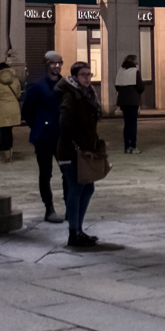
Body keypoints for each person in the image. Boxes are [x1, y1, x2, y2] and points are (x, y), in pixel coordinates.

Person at [57, 61, 104, 248]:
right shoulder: (70, 96)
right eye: (83, 75)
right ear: (75, 77)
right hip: (71, 151)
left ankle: (79, 230)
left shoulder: (88, 94)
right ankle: (73, 233)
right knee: (76, 189)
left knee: (88, 188)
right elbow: (65, 125)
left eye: (89, 74)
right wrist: (78, 143)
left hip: (85, 150)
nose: (87, 78)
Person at [20, 51, 66, 224]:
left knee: (67, 172)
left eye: (59, 62)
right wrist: (40, 125)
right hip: (44, 136)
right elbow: (27, 111)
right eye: (53, 63)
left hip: (62, 135)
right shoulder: (38, 86)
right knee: (46, 174)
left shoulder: (65, 84)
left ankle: (70, 206)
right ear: (46, 64)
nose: (57, 66)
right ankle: (49, 208)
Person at [0, 56, 23, 163]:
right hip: (13, 107)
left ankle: (6, 154)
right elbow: (18, 95)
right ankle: (10, 150)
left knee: (4, 131)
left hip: (2, 108)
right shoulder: (15, 80)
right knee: (9, 131)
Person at [115, 54, 145, 153]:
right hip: (132, 100)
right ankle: (133, 146)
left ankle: (126, 146)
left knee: (126, 124)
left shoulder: (120, 70)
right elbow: (140, 87)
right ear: (134, 62)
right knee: (133, 124)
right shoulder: (135, 71)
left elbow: (117, 86)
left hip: (123, 100)